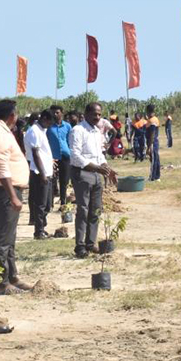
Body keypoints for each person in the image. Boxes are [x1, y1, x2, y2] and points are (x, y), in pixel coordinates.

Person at [0, 100, 32, 295]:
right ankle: (1, 283)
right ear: (12, 115)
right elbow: (2, 166)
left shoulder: (1, 131)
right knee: (2, 239)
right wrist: (13, 196)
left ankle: (12, 277)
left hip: (7, 190)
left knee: (9, 238)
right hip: (4, 191)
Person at [69, 102, 119, 258]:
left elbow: (100, 155)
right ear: (86, 114)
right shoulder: (78, 130)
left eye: (99, 114)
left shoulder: (97, 131)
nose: (97, 117)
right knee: (83, 211)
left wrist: (107, 169)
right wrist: (97, 168)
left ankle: (91, 243)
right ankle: (80, 246)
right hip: (83, 173)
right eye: (94, 114)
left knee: (95, 211)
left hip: (97, 175)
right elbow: (75, 156)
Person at [25, 110, 54, 239]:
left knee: (47, 203)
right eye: (50, 122)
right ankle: (38, 231)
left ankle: (42, 226)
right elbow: (36, 154)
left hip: (47, 171)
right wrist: (42, 174)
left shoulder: (42, 130)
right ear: (44, 119)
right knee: (40, 203)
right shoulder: (34, 131)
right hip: (39, 172)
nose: (50, 125)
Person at [47, 105, 72, 209]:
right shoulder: (48, 127)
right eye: (53, 113)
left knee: (64, 181)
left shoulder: (67, 126)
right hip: (53, 158)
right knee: (52, 181)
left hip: (66, 157)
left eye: (57, 112)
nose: (55, 114)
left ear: (62, 113)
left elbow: (69, 141)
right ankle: (50, 203)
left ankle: (63, 203)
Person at [145, 105, 162, 182]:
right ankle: (157, 176)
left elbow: (152, 134)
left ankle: (152, 177)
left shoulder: (152, 121)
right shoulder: (153, 119)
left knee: (153, 160)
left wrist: (149, 146)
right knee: (156, 159)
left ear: (148, 111)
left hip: (152, 142)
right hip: (154, 142)